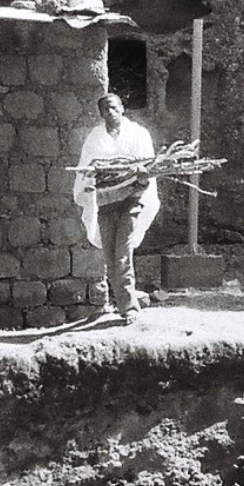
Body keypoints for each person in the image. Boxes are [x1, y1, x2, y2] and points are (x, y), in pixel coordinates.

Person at [71, 90, 160, 321]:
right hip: (105, 202)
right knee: (110, 256)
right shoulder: (95, 137)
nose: (110, 112)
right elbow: (87, 169)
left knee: (122, 253)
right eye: (105, 109)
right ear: (100, 113)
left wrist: (140, 176)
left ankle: (129, 308)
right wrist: (91, 183)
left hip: (131, 201)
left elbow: (147, 171)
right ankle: (124, 302)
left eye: (113, 107)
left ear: (122, 108)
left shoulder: (138, 134)